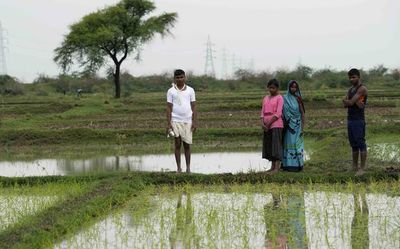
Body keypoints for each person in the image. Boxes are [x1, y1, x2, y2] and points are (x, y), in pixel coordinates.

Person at [167, 69, 197, 173]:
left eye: (181, 77)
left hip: (188, 120)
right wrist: (169, 124)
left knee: (187, 145)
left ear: (185, 77)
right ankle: (179, 168)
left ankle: (188, 168)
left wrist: (194, 122)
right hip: (175, 120)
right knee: (177, 144)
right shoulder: (171, 91)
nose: (180, 79)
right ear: (174, 78)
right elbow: (169, 108)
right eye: (177, 77)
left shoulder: (190, 90)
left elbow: (194, 107)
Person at [343, 68, 368, 175]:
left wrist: (350, 101)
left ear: (358, 77)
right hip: (350, 119)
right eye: (350, 77)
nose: (351, 79)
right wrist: (351, 101)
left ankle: (361, 168)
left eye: (353, 77)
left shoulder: (362, 89)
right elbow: (346, 104)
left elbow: (351, 102)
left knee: (360, 143)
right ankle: (354, 166)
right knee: (353, 143)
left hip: (358, 119)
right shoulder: (351, 89)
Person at [260, 79, 284, 173]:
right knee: (269, 145)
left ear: (277, 88)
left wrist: (269, 123)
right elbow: (262, 111)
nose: (271, 89)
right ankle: (272, 167)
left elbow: (278, 113)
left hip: (276, 124)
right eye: (269, 87)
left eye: (273, 88)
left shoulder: (279, 98)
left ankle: (277, 168)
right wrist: (262, 123)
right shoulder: (265, 98)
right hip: (266, 125)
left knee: (276, 146)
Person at [282, 80, 305, 172]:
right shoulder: (284, 98)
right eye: (292, 87)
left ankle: (299, 165)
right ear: (289, 87)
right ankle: (287, 165)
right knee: (288, 144)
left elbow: (302, 113)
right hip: (288, 126)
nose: (293, 89)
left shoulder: (298, 98)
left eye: (295, 87)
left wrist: (303, 126)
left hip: (297, 125)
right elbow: (283, 112)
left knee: (297, 145)